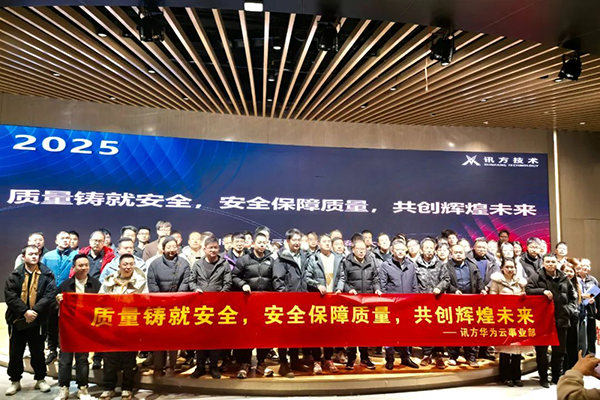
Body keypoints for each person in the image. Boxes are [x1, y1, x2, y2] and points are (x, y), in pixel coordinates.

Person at [4, 245, 56, 396]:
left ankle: (40, 379)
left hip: (38, 319)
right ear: (23, 257)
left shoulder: (47, 274)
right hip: (17, 320)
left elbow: (49, 295)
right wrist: (24, 311)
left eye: (36, 254)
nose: (34, 256)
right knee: (15, 352)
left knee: (38, 351)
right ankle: (15, 381)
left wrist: (35, 311)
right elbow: (10, 296)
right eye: (31, 254)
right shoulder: (15, 274)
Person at [98, 254, 148, 400]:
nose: (128, 267)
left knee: (129, 358)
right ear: (119, 265)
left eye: (131, 264)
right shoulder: (109, 280)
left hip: (130, 323)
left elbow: (145, 301)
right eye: (125, 264)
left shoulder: (141, 281)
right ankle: (109, 388)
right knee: (109, 358)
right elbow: (100, 299)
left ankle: (127, 388)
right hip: (111, 324)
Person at [526, 253, 577, 387]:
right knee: (542, 352)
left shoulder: (564, 278)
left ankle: (556, 377)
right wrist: (542, 291)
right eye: (548, 262)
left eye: (553, 262)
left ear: (557, 263)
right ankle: (543, 377)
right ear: (543, 263)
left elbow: (573, 298)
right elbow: (528, 290)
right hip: (542, 321)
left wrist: (568, 310)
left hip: (561, 319)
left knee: (559, 352)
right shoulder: (536, 277)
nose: (550, 264)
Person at [54, 254, 101, 400]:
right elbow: (53, 307)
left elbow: (101, 305)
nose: (84, 268)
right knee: (65, 359)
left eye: (86, 265)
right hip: (67, 328)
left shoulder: (96, 284)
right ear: (73, 267)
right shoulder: (65, 285)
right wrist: (58, 301)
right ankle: (64, 388)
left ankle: (83, 388)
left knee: (82, 359)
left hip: (85, 328)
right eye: (80, 265)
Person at [274, 228, 316, 377]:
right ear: (288, 241)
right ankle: (283, 364)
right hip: (286, 302)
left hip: (301, 301)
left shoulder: (304, 256)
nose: (297, 243)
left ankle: (295, 361)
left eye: (299, 240)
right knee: (284, 335)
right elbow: (278, 281)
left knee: (296, 333)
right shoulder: (281, 257)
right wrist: (285, 298)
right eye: (294, 240)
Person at [232, 232, 275, 378]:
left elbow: (275, 279)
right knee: (247, 333)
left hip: (266, 303)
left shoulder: (271, 260)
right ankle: (245, 363)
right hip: (248, 302)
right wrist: (242, 284)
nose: (262, 245)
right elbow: (234, 276)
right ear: (253, 244)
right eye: (259, 242)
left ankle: (261, 362)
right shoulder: (244, 259)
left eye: (264, 242)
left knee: (264, 333)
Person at [188, 236, 231, 379]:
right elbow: (191, 281)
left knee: (215, 338)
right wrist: (196, 289)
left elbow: (228, 283)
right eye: (210, 248)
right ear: (205, 249)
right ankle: (200, 366)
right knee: (200, 338)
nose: (213, 250)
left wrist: (221, 296)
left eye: (215, 248)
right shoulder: (197, 264)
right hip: (201, 307)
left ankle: (213, 367)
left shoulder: (224, 264)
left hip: (218, 307)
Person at [147, 236, 190, 377]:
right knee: (158, 338)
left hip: (176, 306)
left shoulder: (184, 263)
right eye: (169, 247)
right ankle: (158, 367)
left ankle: (171, 365)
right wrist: (161, 300)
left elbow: (185, 283)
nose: (172, 249)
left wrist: (176, 299)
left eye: (174, 246)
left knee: (174, 338)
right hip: (159, 306)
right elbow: (152, 284)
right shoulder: (154, 264)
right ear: (163, 248)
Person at [338, 239, 382, 370]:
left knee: (365, 332)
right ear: (353, 249)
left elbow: (375, 279)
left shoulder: (371, 260)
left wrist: (377, 289)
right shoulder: (347, 261)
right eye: (358, 249)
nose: (361, 251)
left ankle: (364, 358)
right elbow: (343, 279)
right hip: (352, 301)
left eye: (364, 249)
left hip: (367, 301)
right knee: (352, 331)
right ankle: (351, 358)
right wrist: (348, 290)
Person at [305, 233, 344, 373]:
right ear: (319, 244)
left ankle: (328, 359)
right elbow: (307, 277)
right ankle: (317, 360)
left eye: (329, 241)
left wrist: (339, 288)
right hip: (318, 300)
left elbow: (342, 276)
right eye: (324, 241)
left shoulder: (338, 258)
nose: (327, 243)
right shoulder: (313, 258)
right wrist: (317, 285)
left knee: (330, 331)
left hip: (334, 299)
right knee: (317, 331)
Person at [489, 258, 531, 387]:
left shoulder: (521, 282)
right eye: (507, 267)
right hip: (504, 318)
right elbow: (492, 298)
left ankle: (517, 376)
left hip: (518, 318)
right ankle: (505, 377)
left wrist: (523, 296)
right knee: (505, 350)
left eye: (512, 267)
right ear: (502, 268)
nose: (510, 269)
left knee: (517, 349)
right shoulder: (496, 281)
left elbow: (527, 297)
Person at [379, 239, 419, 370]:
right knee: (389, 332)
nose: (400, 252)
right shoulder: (385, 265)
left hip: (407, 304)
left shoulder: (411, 265)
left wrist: (415, 300)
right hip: (392, 305)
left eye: (402, 249)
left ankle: (405, 357)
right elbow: (383, 286)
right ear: (392, 251)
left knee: (406, 332)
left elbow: (414, 285)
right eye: (397, 250)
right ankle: (390, 358)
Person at [446, 244, 486, 368]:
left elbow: (479, 280)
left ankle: (471, 356)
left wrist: (482, 289)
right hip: (454, 303)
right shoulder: (447, 266)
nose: (459, 254)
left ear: (465, 253)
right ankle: (453, 356)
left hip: (471, 303)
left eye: (461, 252)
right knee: (455, 330)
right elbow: (445, 281)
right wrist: (454, 290)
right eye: (456, 252)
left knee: (470, 330)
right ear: (451, 254)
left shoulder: (472, 266)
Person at [41, 230, 77, 364]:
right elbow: (41, 274)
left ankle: (65, 350)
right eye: (62, 238)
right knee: (51, 323)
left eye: (67, 238)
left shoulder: (76, 255)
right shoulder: (48, 256)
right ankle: (52, 350)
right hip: (50, 294)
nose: (66, 240)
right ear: (56, 241)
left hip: (69, 294)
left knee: (67, 324)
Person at [415, 237, 450, 369]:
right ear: (421, 250)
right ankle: (426, 354)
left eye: (431, 248)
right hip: (422, 302)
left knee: (439, 327)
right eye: (426, 248)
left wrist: (439, 288)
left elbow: (446, 279)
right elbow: (413, 282)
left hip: (438, 300)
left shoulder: (440, 264)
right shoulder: (415, 264)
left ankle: (439, 354)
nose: (429, 251)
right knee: (425, 327)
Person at [562, 262, 584, 371]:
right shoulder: (558, 283)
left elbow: (578, 300)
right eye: (566, 271)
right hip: (562, 316)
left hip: (574, 316)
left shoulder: (577, 284)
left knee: (573, 342)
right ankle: (564, 368)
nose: (569, 273)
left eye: (571, 271)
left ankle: (573, 367)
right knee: (563, 344)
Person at [579, 258, 598, 355]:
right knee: (581, 336)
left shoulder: (593, 280)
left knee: (591, 336)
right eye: (583, 265)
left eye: (587, 266)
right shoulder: (575, 279)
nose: (585, 267)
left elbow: (596, 294)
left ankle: (591, 356)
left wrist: (593, 300)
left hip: (590, 311)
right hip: (579, 312)